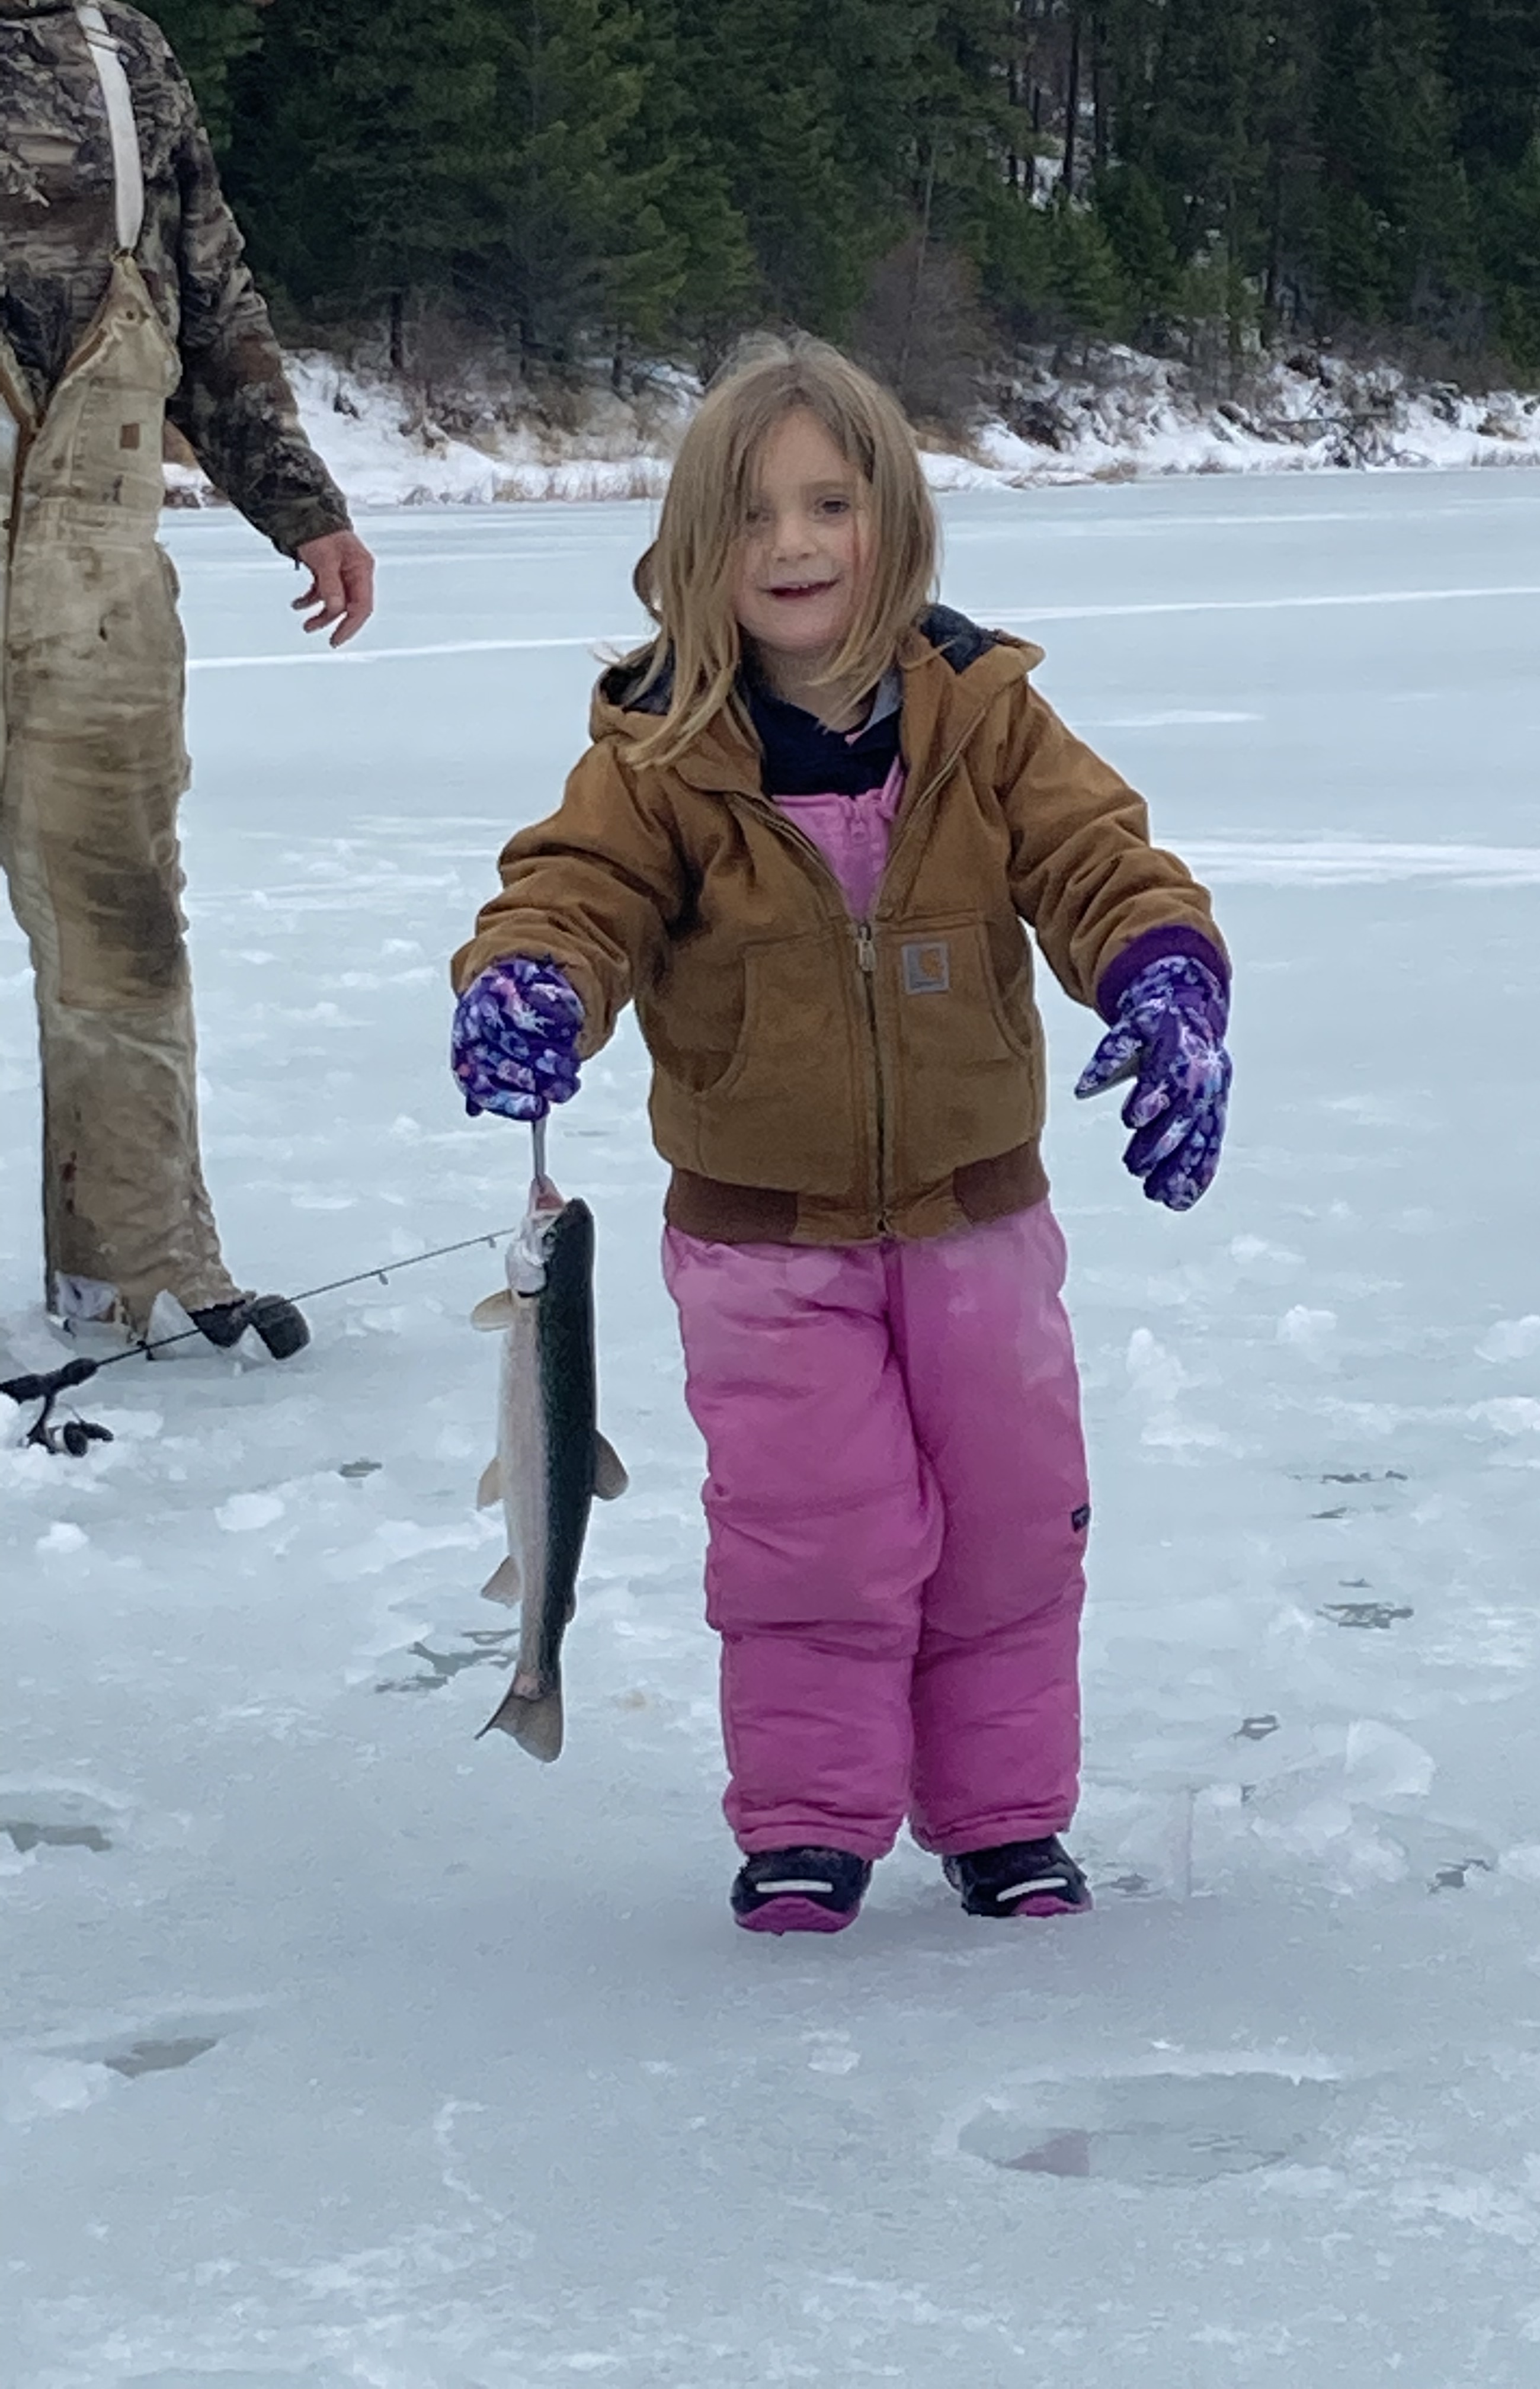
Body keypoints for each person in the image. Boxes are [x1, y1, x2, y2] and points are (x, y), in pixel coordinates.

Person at [450, 340, 1231, 1933]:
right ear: (691, 556)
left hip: (979, 1222)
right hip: (760, 1244)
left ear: (896, 524)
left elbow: (1102, 862)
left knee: (1013, 1520)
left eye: (828, 504)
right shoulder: (657, 758)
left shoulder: (989, 722)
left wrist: (1165, 983)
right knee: (821, 1539)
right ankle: (808, 1824)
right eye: (749, 519)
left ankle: (1006, 1820)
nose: (794, 547)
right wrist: (529, 979)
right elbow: (572, 897)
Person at [0, 0, 375, 1357]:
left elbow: (210, 295)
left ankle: (134, 1279)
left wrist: (303, 505)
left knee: (120, 941)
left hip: (97, 558)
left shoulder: (127, 54)